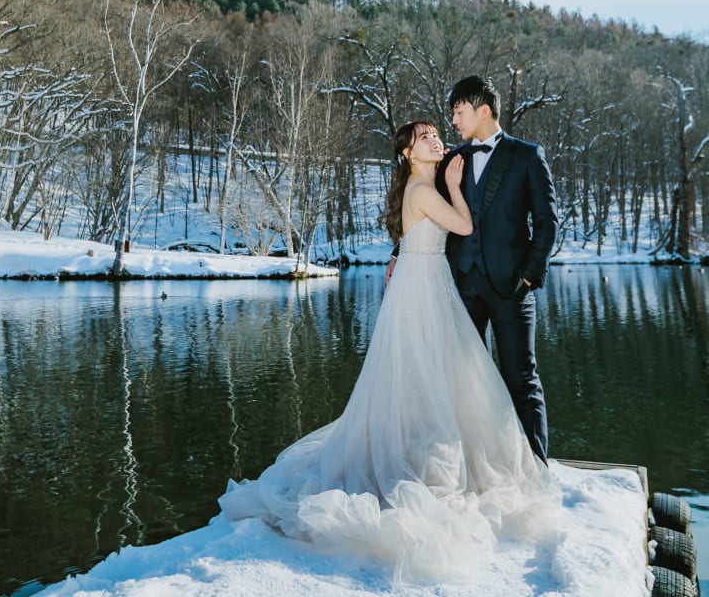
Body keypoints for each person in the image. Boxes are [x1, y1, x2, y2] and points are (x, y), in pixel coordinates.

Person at [218, 121, 558, 583]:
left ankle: (428, 447)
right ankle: (423, 459)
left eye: (436, 133)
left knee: (434, 377)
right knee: (434, 375)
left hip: (425, 284)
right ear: (407, 154)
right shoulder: (422, 189)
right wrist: (454, 184)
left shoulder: (424, 184)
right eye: (425, 138)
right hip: (424, 290)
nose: (436, 140)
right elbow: (463, 225)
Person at [442, 75, 559, 463]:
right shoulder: (453, 161)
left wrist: (529, 275)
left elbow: (547, 222)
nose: (454, 120)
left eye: (459, 112)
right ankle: (477, 466)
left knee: (521, 379)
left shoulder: (527, 156)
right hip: (464, 288)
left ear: (483, 111)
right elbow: (432, 214)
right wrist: (399, 254)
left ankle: (536, 467)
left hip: (513, 288)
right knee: (467, 383)